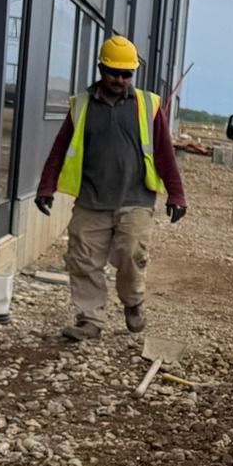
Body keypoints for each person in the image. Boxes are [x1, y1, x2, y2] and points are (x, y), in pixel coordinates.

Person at [35, 35, 187, 341]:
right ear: (101, 68)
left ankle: (132, 302)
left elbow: (164, 151)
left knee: (132, 254)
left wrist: (176, 193)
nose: (119, 79)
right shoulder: (81, 106)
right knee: (83, 259)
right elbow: (60, 147)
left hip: (136, 197)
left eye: (126, 74)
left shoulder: (147, 105)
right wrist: (46, 187)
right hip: (91, 198)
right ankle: (89, 319)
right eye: (113, 73)